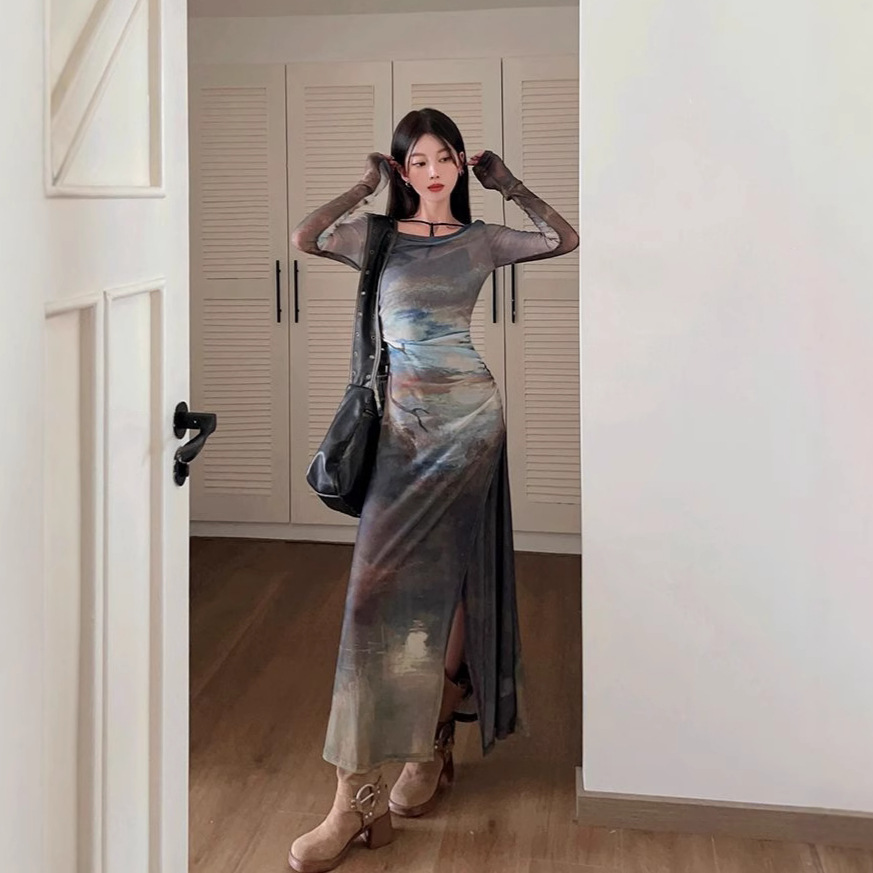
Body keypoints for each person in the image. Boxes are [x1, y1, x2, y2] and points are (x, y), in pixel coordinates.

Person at [287, 107, 578, 873]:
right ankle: (354, 798)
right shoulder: (375, 237)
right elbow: (306, 236)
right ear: (401, 169)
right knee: (370, 600)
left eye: (443, 156)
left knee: (451, 586)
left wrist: (509, 183)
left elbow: (561, 240)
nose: (433, 170)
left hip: (468, 426)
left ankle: (430, 742)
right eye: (416, 160)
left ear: (459, 163)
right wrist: (362, 185)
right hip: (400, 434)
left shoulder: (479, 240)